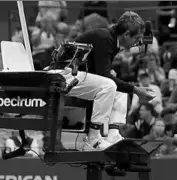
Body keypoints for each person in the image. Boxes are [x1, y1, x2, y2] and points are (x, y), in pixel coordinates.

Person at [50, 11, 156, 150]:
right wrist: (135, 90)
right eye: (136, 38)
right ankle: (93, 139)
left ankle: (113, 134)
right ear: (126, 35)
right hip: (62, 74)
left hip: (77, 74)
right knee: (109, 85)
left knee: (118, 87)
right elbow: (104, 75)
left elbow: (99, 69)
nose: (137, 42)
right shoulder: (105, 39)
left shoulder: (113, 39)